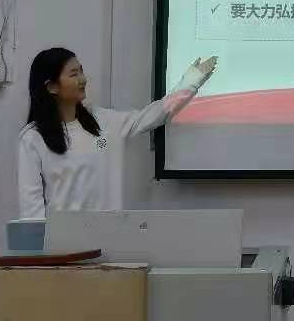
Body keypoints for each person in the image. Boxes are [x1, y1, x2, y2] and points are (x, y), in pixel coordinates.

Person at [18, 47, 217, 218]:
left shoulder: (102, 121)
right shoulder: (32, 138)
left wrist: (192, 80)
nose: (83, 79)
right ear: (52, 86)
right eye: (73, 74)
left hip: (110, 240)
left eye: (81, 71)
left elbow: (154, 114)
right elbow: (31, 210)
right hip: (62, 245)